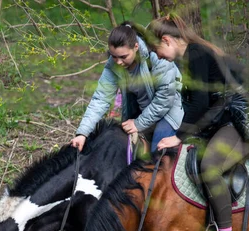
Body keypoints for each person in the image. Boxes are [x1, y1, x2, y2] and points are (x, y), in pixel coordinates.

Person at [148, 15, 249, 231]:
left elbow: (199, 104)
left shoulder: (196, 55)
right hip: (218, 123)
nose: (156, 57)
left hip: (235, 123)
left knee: (209, 166)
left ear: (166, 40)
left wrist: (179, 136)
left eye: (155, 50)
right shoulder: (189, 58)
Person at [70, 22, 184, 155]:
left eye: (123, 57)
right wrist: (83, 133)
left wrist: (138, 124)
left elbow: (164, 100)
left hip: (168, 112)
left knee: (157, 152)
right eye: (114, 56)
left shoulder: (157, 57)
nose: (118, 62)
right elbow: (100, 99)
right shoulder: (113, 66)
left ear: (136, 47)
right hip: (141, 112)